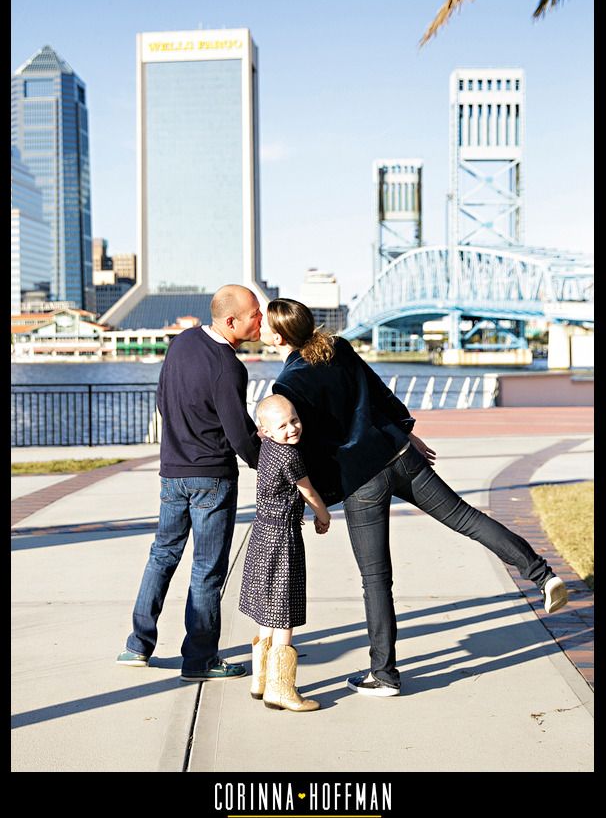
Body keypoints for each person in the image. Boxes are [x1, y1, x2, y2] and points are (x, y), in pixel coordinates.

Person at [262, 298, 569, 698]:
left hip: (362, 481)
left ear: (278, 336)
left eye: (266, 326)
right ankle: (544, 576)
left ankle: (384, 674)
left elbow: (303, 448)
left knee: (376, 579)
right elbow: (379, 394)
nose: (261, 331)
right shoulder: (338, 348)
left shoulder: (287, 385)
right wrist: (405, 432)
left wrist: (317, 498)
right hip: (400, 455)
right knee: (466, 517)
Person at [116, 284, 263, 681]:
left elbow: (164, 400)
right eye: (255, 315)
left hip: (173, 472)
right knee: (207, 570)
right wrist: (265, 463)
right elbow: (237, 431)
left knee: (161, 555)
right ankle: (199, 660)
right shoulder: (229, 365)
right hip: (211, 477)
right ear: (231, 320)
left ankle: (137, 646)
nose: (261, 320)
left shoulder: (182, 343)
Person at [239, 394, 330, 712]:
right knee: (283, 611)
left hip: (263, 534)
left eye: (294, 420)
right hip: (282, 537)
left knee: (267, 608)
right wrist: (323, 514)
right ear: (265, 430)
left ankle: (260, 679)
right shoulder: (290, 456)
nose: (292, 428)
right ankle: (281, 689)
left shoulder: (267, 449)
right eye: (282, 425)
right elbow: (307, 490)